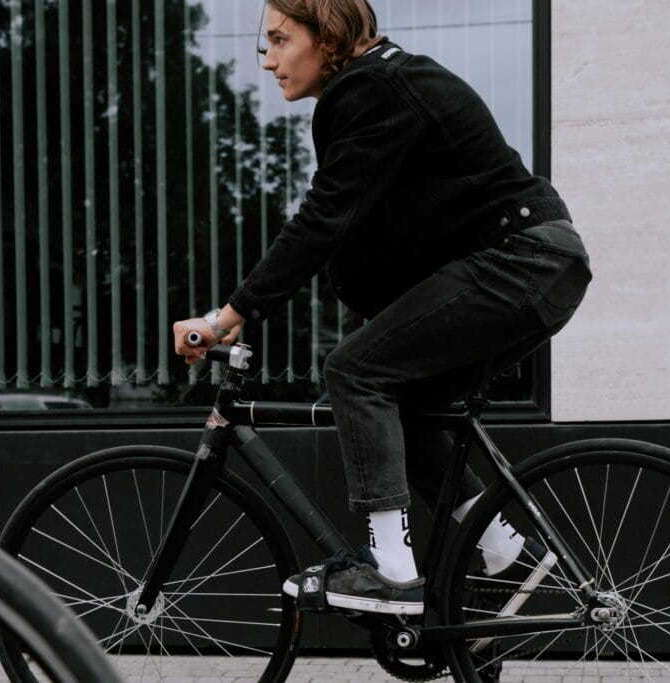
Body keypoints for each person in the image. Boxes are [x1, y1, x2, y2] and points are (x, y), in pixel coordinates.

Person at [173, 0, 591, 616]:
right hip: (534, 263)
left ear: (329, 36)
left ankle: (391, 573)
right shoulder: (381, 89)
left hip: (521, 261)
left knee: (355, 371)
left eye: (281, 40)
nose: (268, 60)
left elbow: (323, 221)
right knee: (401, 398)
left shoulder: (372, 90)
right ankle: (508, 554)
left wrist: (226, 318)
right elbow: (375, 232)